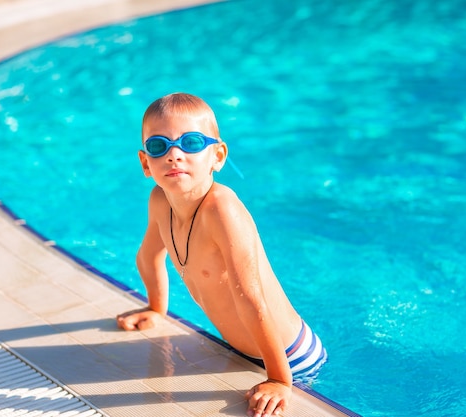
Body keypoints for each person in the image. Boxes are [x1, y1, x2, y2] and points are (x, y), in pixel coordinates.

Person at [116, 92, 327, 417]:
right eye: (160, 146)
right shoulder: (159, 201)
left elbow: (250, 298)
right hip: (245, 350)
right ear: (146, 162)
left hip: (290, 357)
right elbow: (147, 256)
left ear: (217, 155)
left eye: (191, 143)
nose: (175, 155)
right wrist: (157, 308)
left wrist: (280, 380)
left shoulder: (221, 209)